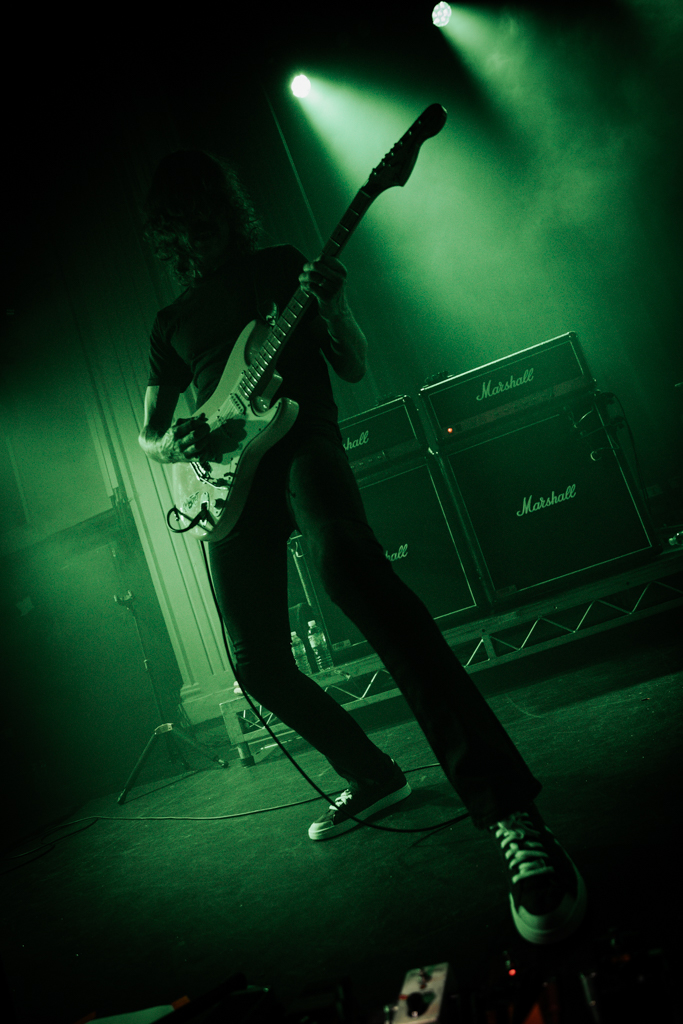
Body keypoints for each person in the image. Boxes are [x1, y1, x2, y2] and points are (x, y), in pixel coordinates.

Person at [138, 150, 587, 946]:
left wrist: (336, 308)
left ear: (227, 214)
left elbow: (350, 363)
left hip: (302, 442)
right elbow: (148, 434)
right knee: (255, 664)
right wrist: (179, 441)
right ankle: (370, 775)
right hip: (226, 483)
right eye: (186, 231)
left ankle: (511, 813)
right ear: (172, 240)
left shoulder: (282, 269)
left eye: (209, 221)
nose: (201, 239)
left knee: (349, 568)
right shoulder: (168, 325)